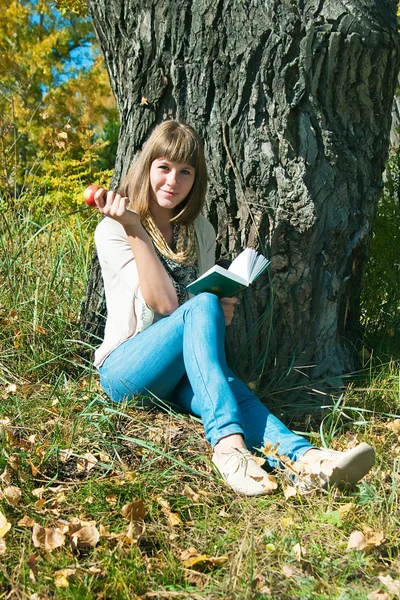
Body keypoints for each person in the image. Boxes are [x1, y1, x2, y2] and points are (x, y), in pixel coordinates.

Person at [92, 120, 375, 496]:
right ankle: (228, 447)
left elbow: (194, 307)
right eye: (163, 167)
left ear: (196, 179)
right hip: (126, 371)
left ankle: (307, 463)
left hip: (180, 374)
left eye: (185, 172)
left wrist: (215, 313)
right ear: (146, 169)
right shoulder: (114, 229)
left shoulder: (201, 232)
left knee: (230, 388)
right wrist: (134, 228)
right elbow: (163, 303)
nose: (172, 181)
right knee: (203, 307)